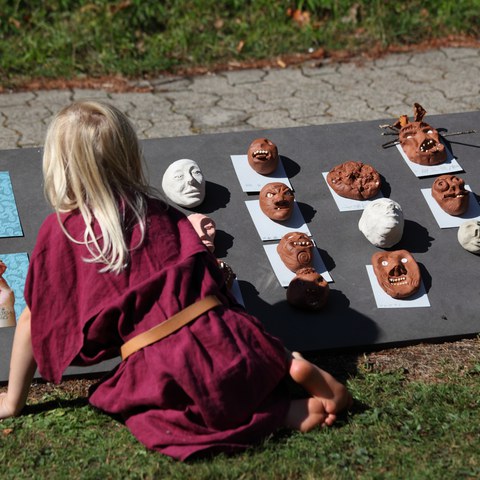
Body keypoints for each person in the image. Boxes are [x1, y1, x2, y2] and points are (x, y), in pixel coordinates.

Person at [0, 101, 351, 461]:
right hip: (229, 335)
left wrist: (14, 400)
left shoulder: (64, 233)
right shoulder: (157, 210)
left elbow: (34, 319)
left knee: (168, 420)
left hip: (165, 357)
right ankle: (284, 362)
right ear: (127, 152)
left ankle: (284, 414)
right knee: (241, 365)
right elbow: (206, 274)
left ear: (58, 165)